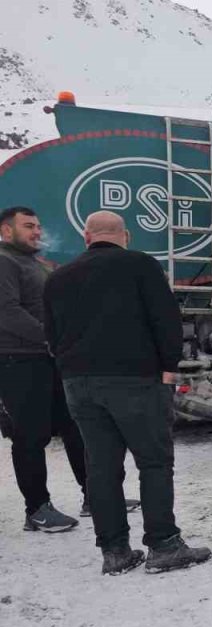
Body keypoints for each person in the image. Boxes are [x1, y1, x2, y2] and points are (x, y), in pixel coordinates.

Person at [44, 210, 211, 575]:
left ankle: (115, 552)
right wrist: (169, 370)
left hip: (79, 384)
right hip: (134, 381)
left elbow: (52, 336)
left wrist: (72, 371)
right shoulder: (141, 266)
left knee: (101, 467)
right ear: (126, 237)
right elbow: (166, 321)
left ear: (86, 238)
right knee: (153, 461)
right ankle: (164, 545)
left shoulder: (57, 278)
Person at [0, 206, 90, 532]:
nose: (36, 231)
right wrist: (50, 338)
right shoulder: (4, 260)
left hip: (46, 358)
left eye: (38, 226)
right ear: (6, 231)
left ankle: (94, 495)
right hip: (18, 360)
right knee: (30, 435)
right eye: (28, 226)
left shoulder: (31, 263)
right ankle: (36, 509)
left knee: (75, 427)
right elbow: (6, 312)